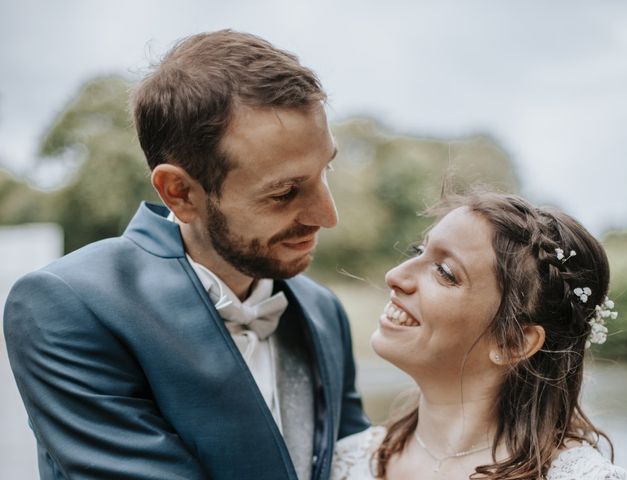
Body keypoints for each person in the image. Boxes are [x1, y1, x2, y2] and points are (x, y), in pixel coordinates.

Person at [4, 30, 369, 480]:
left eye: (324, 171)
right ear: (180, 193)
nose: (327, 216)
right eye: (285, 191)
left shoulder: (323, 311)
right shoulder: (70, 306)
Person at [331, 190, 627, 479]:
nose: (394, 276)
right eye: (418, 251)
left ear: (513, 342)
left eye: (445, 272)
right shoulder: (347, 462)